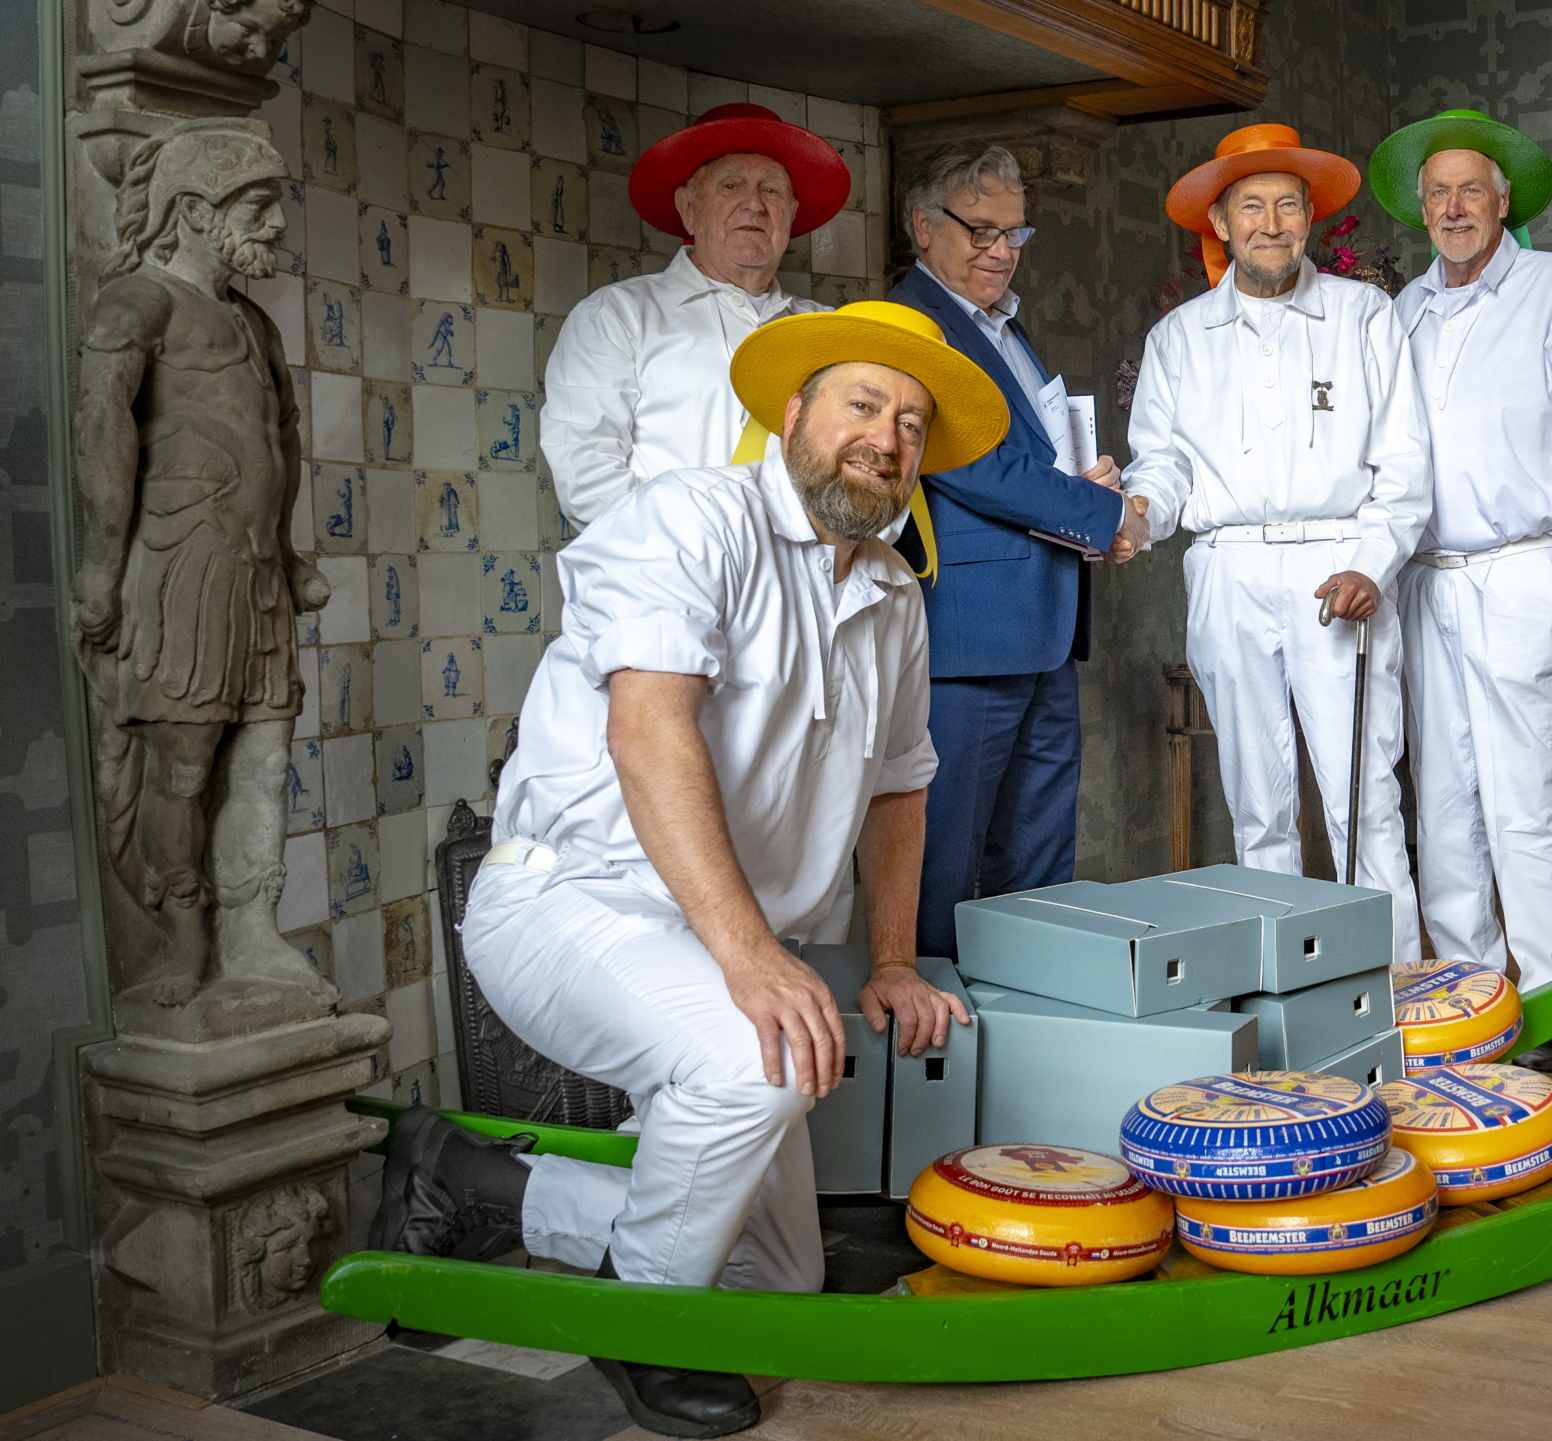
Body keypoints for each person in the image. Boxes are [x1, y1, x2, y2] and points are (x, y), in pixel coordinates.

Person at [370, 302, 1003, 1437]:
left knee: (771, 1284)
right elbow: (647, 730)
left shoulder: (894, 594)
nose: (887, 438)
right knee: (749, 1061)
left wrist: (897, 959)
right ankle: (642, 1317)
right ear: (794, 412)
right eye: (863, 404)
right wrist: (755, 956)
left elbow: (901, 783)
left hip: (708, 938)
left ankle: (471, 1180)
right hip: (569, 904)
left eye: (910, 424)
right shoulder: (686, 520)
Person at [1366, 110, 1552, 1074]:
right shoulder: (1402, 310)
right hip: (1425, 580)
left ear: (1503, 200)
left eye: (1468, 190)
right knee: (1442, 798)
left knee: (1528, 793)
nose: (1451, 207)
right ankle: (1471, 994)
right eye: (1436, 193)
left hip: (1524, 570)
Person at [1121, 124, 1431, 966]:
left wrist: (1372, 563)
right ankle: (1292, 992)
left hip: (1340, 562)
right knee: (1256, 805)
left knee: (1362, 796)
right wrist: (1134, 515)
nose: (1270, 222)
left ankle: (1398, 992)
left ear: (1310, 220)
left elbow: (1404, 462)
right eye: (1250, 205)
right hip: (1227, 567)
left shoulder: (1363, 315)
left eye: (1287, 204)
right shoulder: (1179, 339)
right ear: (1218, 224)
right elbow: (1162, 464)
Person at [887, 145, 1148, 961]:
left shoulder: (1003, 326)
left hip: (1043, 630)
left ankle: (1026, 1048)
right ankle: (929, 1059)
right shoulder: (912, 326)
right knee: (942, 863)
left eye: (1015, 231)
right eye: (982, 230)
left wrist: (1087, 482)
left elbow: (1031, 457)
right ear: (922, 228)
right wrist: (1104, 515)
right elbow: (971, 462)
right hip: (967, 640)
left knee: (1038, 871)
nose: (1003, 250)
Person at [542, 103, 852, 528]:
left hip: (803, 584)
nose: (754, 205)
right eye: (730, 185)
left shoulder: (830, 330)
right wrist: (698, 562)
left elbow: (864, 464)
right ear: (688, 208)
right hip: (665, 580)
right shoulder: (615, 317)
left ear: (792, 213)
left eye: (772, 190)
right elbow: (588, 478)